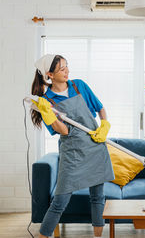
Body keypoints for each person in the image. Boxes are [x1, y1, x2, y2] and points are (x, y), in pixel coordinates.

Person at [30, 54, 114, 238]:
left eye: (67, 66)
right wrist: (50, 117)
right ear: (49, 74)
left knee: (98, 198)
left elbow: (100, 107)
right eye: (62, 68)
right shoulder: (46, 101)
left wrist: (104, 125)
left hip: (95, 147)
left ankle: (98, 237)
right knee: (59, 201)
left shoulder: (79, 85)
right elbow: (64, 131)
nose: (67, 71)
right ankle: (43, 235)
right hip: (73, 153)